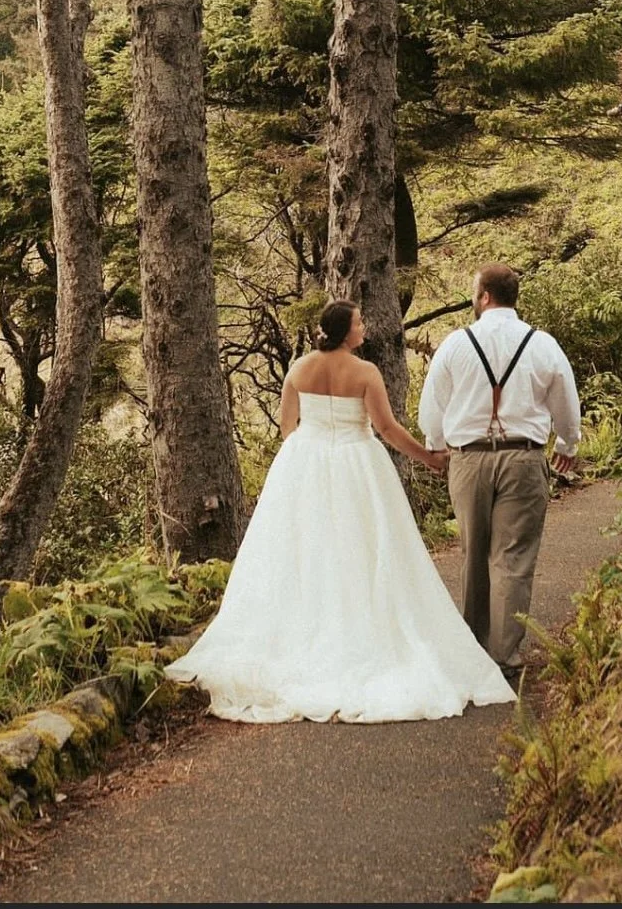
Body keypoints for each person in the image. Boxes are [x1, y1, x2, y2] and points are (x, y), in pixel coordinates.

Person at [165, 299, 514, 723]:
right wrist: (429, 457)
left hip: (304, 463)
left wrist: (313, 445)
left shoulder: (298, 369)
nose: (364, 326)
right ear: (346, 332)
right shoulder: (365, 373)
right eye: (359, 322)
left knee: (305, 552)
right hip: (357, 463)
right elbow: (386, 428)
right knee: (364, 549)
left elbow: (287, 424)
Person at [418, 264, 581, 680]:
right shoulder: (541, 343)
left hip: (469, 459)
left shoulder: (456, 343)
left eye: (475, 292)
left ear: (485, 296)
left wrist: (436, 445)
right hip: (523, 458)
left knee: (474, 552)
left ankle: (473, 649)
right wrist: (567, 443)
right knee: (513, 555)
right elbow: (565, 394)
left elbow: (434, 402)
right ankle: (503, 655)